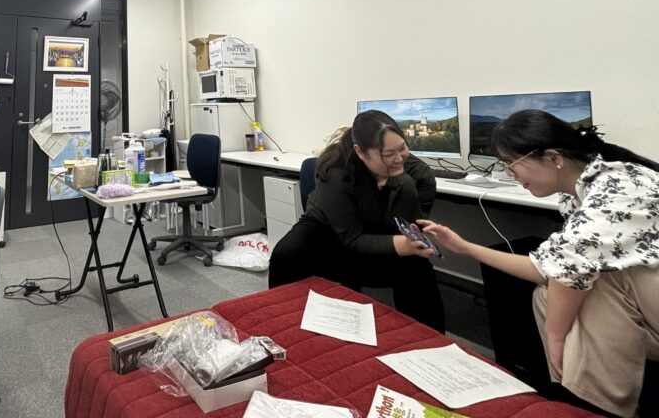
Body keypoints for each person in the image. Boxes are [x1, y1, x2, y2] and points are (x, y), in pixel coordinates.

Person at [420, 110, 659, 417]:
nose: (510, 174)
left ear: (553, 157)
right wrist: (466, 248)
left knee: (575, 292)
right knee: (551, 294)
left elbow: (566, 271)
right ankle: (586, 398)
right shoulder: (581, 189)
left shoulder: (615, 190)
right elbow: (548, 268)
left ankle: (590, 401)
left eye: (511, 163)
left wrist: (555, 338)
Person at [268, 110, 444, 331]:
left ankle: (432, 341)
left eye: (402, 148)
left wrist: (401, 184)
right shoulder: (336, 170)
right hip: (330, 231)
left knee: (417, 267)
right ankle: (280, 327)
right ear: (360, 152)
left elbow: (406, 228)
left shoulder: (419, 175)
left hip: (380, 230)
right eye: (388, 154)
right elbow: (353, 238)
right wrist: (404, 244)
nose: (399, 158)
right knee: (288, 253)